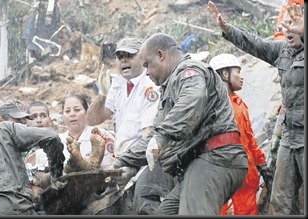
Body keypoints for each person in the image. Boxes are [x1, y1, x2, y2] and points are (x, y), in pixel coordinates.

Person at [117, 32, 248, 215]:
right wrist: (123, 162)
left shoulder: (189, 70)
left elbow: (192, 99)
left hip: (215, 158)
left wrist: (162, 137)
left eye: (147, 65)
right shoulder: (170, 86)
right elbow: (155, 136)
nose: (146, 72)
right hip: (200, 163)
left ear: (161, 55)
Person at [208, 1, 304, 215]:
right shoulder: (283, 52)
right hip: (289, 138)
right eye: (284, 25)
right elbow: (254, 43)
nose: (286, 28)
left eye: (292, 23)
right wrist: (226, 29)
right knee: (280, 201)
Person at [86, 37, 174, 215]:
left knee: (144, 210)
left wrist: (130, 166)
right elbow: (92, 119)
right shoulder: (117, 85)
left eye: (130, 55)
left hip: (145, 166)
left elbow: (148, 137)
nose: (124, 60)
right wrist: (102, 94)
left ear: (141, 58)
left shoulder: (150, 86)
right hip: (123, 166)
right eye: (120, 56)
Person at [208, 53, 273, 215]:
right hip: (223, 180)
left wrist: (262, 165)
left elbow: (249, 139)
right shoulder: (211, 107)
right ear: (225, 74)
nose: (241, 77)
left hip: (246, 179)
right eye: (238, 72)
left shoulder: (239, 104)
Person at [0, 102, 65, 215]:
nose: (25, 124)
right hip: (13, 207)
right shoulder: (5, 128)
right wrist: (56, 176)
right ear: (0, 120)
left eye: (25, 120)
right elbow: (51, 136)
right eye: (19, 121)